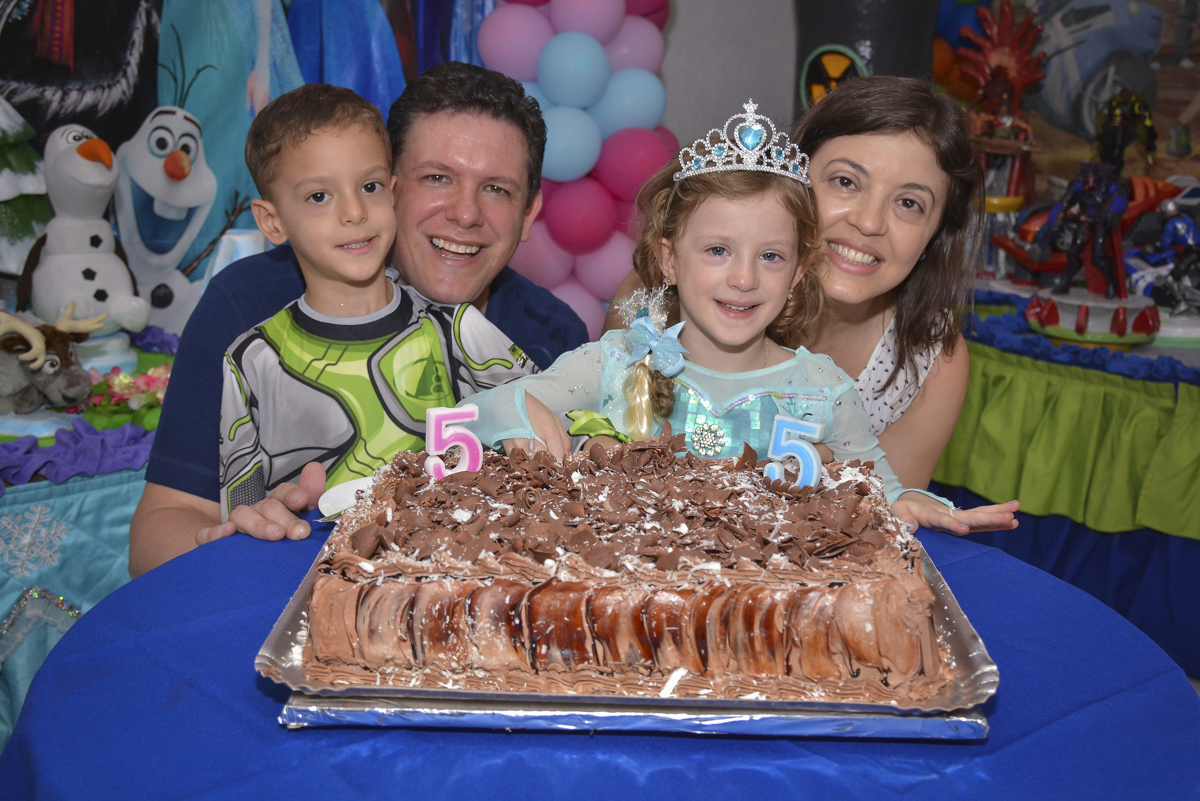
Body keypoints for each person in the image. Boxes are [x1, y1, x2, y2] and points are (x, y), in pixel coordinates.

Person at [461, 101, 1016, 533]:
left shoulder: (826, 391)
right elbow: (476, 412)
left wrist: (913, 501)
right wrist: (522, 411)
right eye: (718, 251)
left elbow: (880, 487)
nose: (745, 278)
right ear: (668, 260)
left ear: (800, 269)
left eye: (770, 256)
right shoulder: (622, 359)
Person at [129, 63, 588, 577]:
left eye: (497, 189)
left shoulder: (553, 338)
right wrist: (246, 542)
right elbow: (156, 534)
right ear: (392, 185)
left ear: (528, 214)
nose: (465, 214)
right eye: (437, 177)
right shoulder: (248, 312)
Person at [605, 77, 1021, 528]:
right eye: (845, 181)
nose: (868, 222)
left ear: (936, 234)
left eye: (909, 203)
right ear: (794, 181)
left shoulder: (929, 358)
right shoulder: (663, 295)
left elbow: (877, 523)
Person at [218, 83, 534, 519]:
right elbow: (242, 513)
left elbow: (548, 418)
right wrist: (260, 523)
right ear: (272, 221)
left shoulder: (458, 329)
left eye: (369, 186)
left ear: (392, 191)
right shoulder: (253, 360)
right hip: (312, 575)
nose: (354, 212)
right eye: (319, 196)